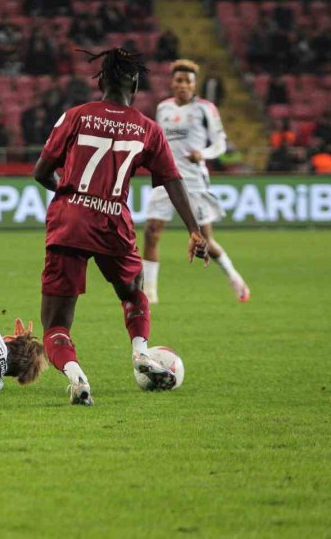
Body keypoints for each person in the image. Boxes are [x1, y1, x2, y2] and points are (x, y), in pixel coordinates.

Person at [33, 48, 209, 406]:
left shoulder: (76, 116)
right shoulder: (147, 128)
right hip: (113, 221)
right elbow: (172, 179)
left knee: (57, 323)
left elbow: (40, 172)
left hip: (68, 221)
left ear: (101, 81)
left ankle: (76, 376)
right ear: (135, 81)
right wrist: (194, 229)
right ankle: (140, 352)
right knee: (132, 291)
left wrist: (71, 193)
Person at [142, 59, 249, 305]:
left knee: (204, 240)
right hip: (165, 179)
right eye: (178, 80)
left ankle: (233, 276)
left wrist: (205, 154)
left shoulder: (205, 109)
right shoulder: (163, 108)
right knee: (151, 232)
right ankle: (150, 293)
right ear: (172, 83)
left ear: (194, 84)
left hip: (194, 181)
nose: (182, 85)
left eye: (187, 81)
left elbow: (220, 143)